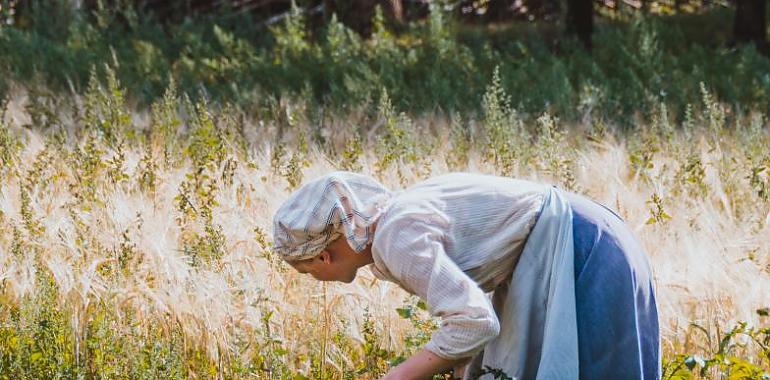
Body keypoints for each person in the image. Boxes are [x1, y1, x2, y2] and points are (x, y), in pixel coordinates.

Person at [272, 171, 660, 380]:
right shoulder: (394, 225)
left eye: (307, 271)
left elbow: (474, 322)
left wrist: (398, 377)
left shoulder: (395, 237)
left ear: (322, 257)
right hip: (588, 235)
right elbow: (469, 309)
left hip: (583, 248)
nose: (314, 277)